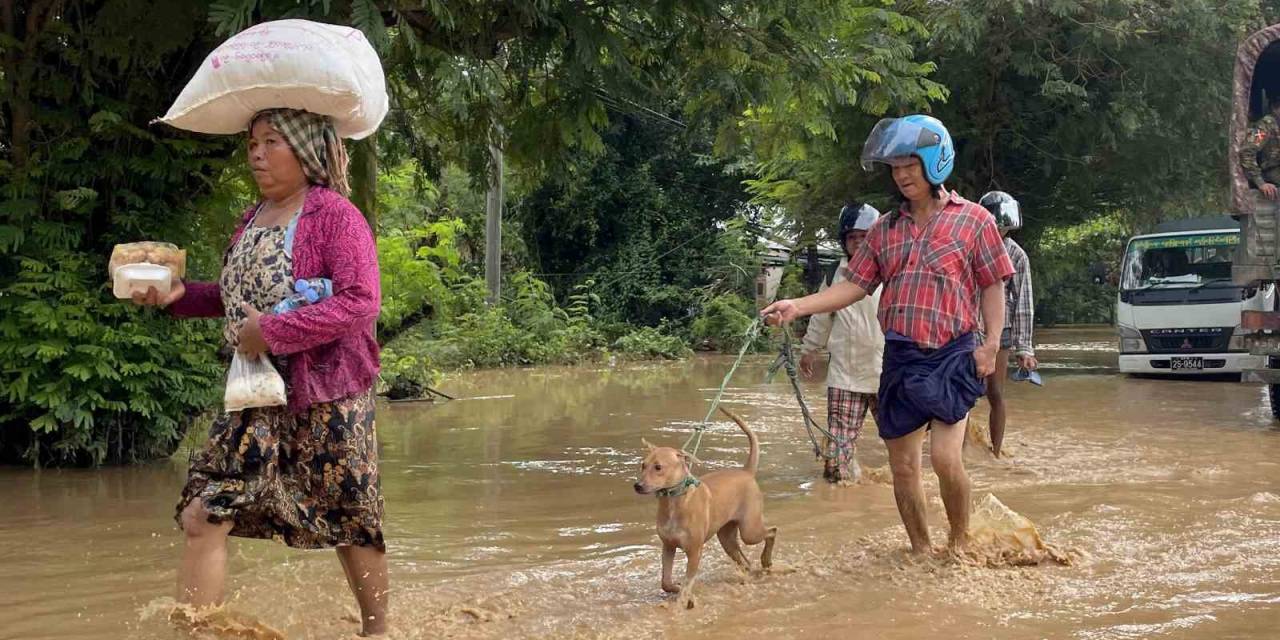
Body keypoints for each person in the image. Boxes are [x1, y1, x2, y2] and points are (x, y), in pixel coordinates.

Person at [131, 108, 388, 635]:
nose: (256, 153)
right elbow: (236, 302)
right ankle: (196, 632)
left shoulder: (336, 216)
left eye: (272, 141)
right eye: (252, 142)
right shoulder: (251, 219)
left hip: (327, 394)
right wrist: (180, 295)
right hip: (253, 392)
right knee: (204, 512)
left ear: (306, 150)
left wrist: (274, 332)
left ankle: (379, 631)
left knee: (350, 521)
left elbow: (361, 302)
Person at [762, 114, 1014, 554]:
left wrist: (991, 345)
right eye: (894, 169)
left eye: (909, 166)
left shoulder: (974, 222)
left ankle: (958, 544)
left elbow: (993, 284)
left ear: (935, 162)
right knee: (902, 468)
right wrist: (797, 306)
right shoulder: (884, 231)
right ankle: (919, 551)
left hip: (953, 355)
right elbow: (853, 286)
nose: (900, 176)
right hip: (898, 358)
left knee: (944, 458)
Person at [799, 202, 884, 484]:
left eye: (865, 237)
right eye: (852, 238)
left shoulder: (892, 269)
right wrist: (809, 350)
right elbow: (821, 316)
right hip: (845, 374)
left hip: (888, 373)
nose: (858, 243)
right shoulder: (835, 274)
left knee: (902, 444)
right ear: (844, 242)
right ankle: (840, 491)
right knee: (837, 456)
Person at [977, 191, 1038, 458]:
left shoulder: (1017, 256)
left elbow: (1023, 303)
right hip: (966, 327)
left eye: (1004, 226)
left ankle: (996, 453)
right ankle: (960, 449)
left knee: (995, 393)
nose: (1000, 230)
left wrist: (1025, 349)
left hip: (999, 331)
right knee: (960, 392)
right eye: (996, 225)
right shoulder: (969, 246)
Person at [1240, 95, 1280, 201]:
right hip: (1271, 171)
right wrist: (1261, 183)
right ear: (1275, 109)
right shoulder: (1266, 126)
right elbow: (1247, 151)